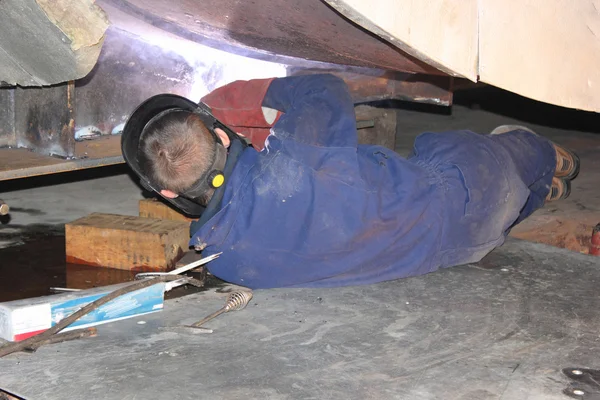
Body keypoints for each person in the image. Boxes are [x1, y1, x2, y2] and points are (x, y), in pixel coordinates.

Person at [121, 74, 580, 289]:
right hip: (462, 196)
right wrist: (258, 95)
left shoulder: (224, 261)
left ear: (167, 193)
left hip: (452, 253)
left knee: (506, 198)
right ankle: (542, 160)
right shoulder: (295, 153)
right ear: (221, 133)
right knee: (465, 147)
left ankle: (537, 192)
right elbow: (325, 89)